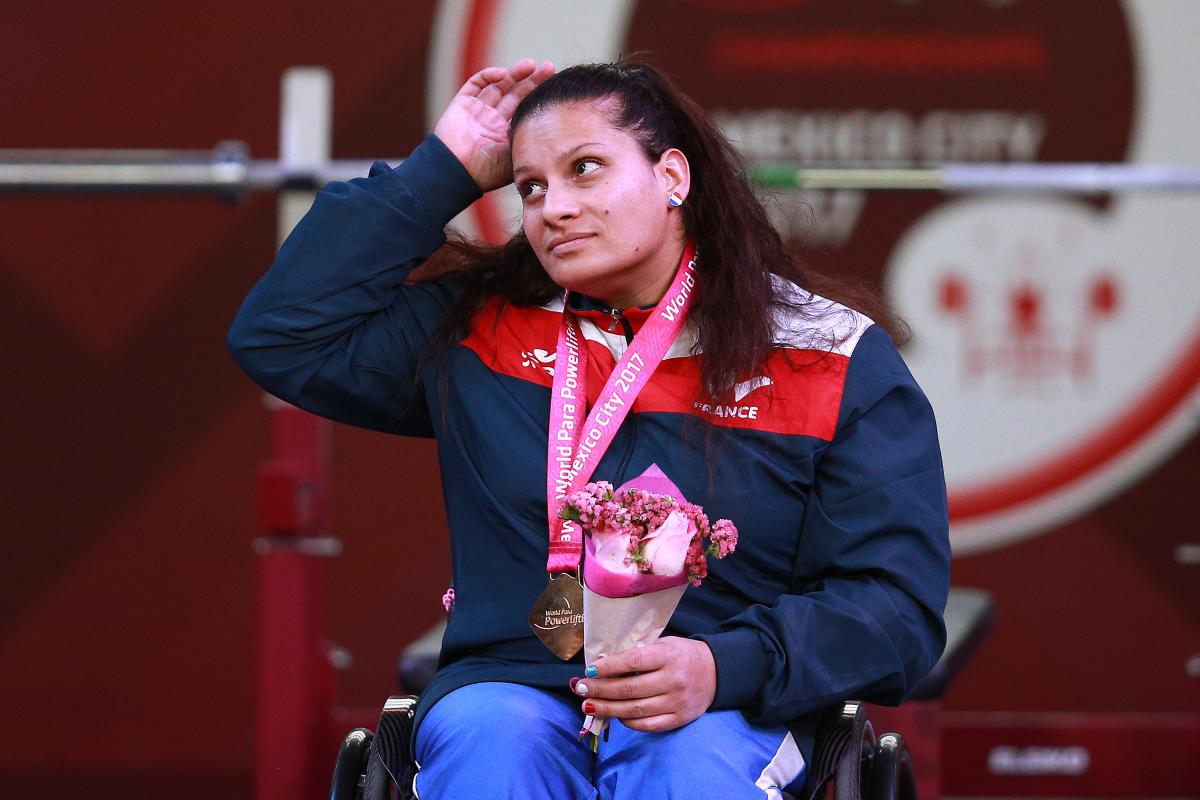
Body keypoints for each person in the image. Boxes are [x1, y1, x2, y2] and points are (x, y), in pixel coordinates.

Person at [228, 58, 951, 799]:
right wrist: (441, 171)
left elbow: (894, 606)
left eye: (585, 169)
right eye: (532, 187)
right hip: (509, 687)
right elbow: (281, 337)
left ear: (673, 177)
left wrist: (721, 666)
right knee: (492, 750)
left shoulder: (829, 354)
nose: (554, 207)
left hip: (728, 702)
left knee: (682, 765)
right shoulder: (481, 330)